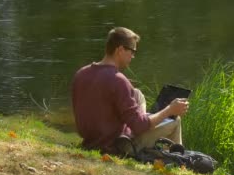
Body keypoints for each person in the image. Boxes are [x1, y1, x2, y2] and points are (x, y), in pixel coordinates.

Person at [72, 27, 189, 155]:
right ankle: (178, 160)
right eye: (132, 51)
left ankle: (144, 117)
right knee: (175, 120)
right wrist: (169, 110)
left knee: (137, 93)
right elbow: (138, 127)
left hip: (90, 140)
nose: (133, 56)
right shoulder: (118, 80)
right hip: (117, 145)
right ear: (120, 50)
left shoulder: (81, 73)